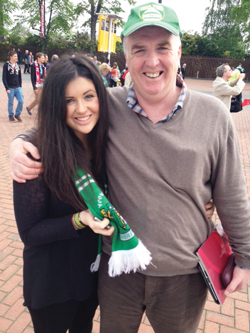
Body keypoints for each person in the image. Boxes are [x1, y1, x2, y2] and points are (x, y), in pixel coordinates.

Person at [9, 3, 250, 333]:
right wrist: (22, 140)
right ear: (126, 56)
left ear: (178, 51)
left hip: (183, 275)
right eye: (140, 49)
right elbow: (63, 120)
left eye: (162, 47)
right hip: (117, 271)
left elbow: (233, 195)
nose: (152, 61)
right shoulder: (109, 106)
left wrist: (245, 257)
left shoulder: (213, 115)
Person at [13, 55, 114, 333]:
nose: (81, 109)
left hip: (90, 275)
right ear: (56, 103)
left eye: (88, 96)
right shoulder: (37, 153)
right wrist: (81, 219)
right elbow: (30, 232)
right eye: (69, 100)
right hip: (52, 282)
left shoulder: (105, 143)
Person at [2, 50, 23, 122]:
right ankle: (11, 115)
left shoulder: (17, 66)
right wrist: (6, 87)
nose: (16, 57)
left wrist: (20, 85)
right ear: (10, 57)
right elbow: (4, 77)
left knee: (21, 100)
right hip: (10, 87)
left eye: (16, 56)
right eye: (15, 56)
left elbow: (19, 76)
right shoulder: (6, 65)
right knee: (10, 102)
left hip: (17, 86)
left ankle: (17, 114)